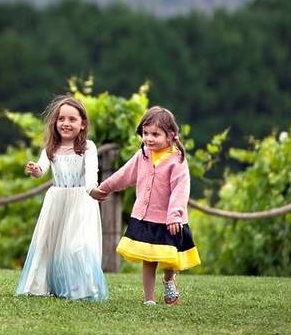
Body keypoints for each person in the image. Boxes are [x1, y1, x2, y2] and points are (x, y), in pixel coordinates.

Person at [90, 106, 201, 305]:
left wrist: (175, 215)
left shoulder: (177, 161)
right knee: (149, 259)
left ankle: (168, 279)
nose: (149, 139)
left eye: (155, 134)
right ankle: (149, 299)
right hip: (145, 218)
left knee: (169, 258)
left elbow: (180, 190)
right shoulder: (143, 155)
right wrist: (105, 188)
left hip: (170, 220)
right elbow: (124, 174)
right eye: (145, 133)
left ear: (171, 135)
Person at [15, 95, 108, 301]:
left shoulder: (88, 148)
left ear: (83, 124)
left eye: (72, 119)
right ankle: (45, 285)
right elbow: (42, 169)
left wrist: (92, 190)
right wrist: (35, 169)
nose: (66, 123)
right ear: (55, 122)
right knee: (50, 244)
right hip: (57, 201)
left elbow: (92, 173)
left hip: (81, 201)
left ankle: (82, 288)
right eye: (61, 119)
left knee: (77, 245)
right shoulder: (51, 148)